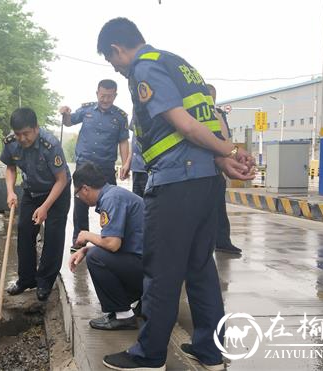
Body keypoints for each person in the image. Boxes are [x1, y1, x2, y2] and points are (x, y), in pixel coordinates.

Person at [96, 18, 255, 370]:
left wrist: (227, 152)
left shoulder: (145, 68)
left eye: (113, 61)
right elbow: (206, 120)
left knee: (162, 270)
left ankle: (149, 354)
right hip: (204, 181)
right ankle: (211, 352)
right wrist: (223, 156)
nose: (118, 69)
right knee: (200, 268)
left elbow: (184, 124)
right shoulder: (181, 65)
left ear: (117, 50)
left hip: (175, 183)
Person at [0, 108, 72, 302]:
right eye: (18, 134)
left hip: (57, 191)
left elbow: (61, 180)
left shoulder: (51, 145)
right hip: (32, 189)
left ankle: (45, 282)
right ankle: (26, 279)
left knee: (53, 235)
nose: (22, 139)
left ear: (36, 128)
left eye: (26, 133)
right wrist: (10, 191)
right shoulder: (10, 143)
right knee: (24, 229)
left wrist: (45, 207)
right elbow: (10, 168)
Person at [68, 162, 146, 331]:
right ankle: (143, 301)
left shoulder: (111, 199)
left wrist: (87, 236)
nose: (79, 198)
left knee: (96, 258)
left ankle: (124, 315)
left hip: (151, 270)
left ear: (85, 189)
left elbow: (112, 244)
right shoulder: (114, 195)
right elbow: (118, 243)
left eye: (77, 194)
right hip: (153, 265)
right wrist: (86, 248)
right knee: (94, 253)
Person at [59, 79, 130, 244]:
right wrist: (65, 113)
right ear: (97, 93)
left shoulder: (120, 117)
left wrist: (126, 163)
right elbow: (69, 122)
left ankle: (111, 238)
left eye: (110, 97)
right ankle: (79, 240)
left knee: (111, 202)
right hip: (84, 164)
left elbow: (124, 141)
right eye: (103, 96)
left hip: (105, 166)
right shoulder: (86, 109)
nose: (106, 100)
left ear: (115, 95)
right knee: (81, 203)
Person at [206, 83, 242, 255]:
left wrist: (233, 154)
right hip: (203, 165)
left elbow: (225, 138)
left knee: (220, 206)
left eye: (213, 97)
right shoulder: (196, 114)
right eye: (208, 96)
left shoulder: (219, 114)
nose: (211, 100)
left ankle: (222, 241)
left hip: (218, 168)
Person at [120, 114, 148, 198]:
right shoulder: (137, 108)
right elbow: (134, 139)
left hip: (149, 169)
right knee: (138, 204)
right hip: (136, 168)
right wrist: (128, 163)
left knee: (150, 205)